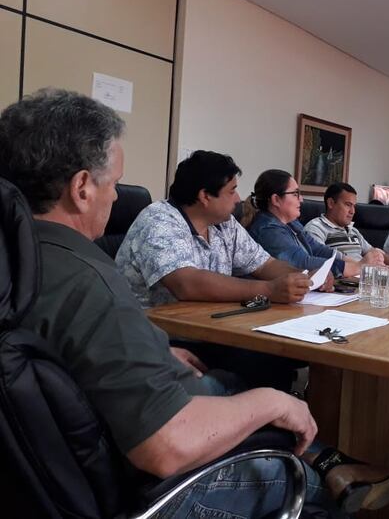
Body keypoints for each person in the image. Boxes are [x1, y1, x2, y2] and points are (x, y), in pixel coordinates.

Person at [0, 89, 389, 517]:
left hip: (70, 450)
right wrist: (274, 402)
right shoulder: (90, 280)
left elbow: (65, 348)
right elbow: (167, 446)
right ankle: (324, 479)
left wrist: (152, 349)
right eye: (114, 184)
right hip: (143, 486)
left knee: (226, 383)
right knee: (288, 457)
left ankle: (328, 462)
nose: (117, 197)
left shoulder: (23, 256)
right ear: (82, 188)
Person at [116, 150, 309, 390]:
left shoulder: (224, 223)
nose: (238, 198)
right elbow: (186, 283)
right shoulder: (159, 220)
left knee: (277, 357)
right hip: (161, 340)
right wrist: (268, 289)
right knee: (265, 362)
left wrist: (303, 277)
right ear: (205, 196)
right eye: (231, 190)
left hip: (213, 331)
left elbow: (265, 264)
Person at [243, 170, 370, 278]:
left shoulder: (292, 223)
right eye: (295, 194)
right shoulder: (267, 230)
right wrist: (358, 267)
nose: (301, 199)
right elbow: (301, 263)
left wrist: (351, 262)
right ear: (276, 199)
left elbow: (317, 249)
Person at [304, 182, 389, 265]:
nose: (353, 211)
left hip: (363, 275)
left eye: (354, 206)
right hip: (343, 278)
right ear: (331, 203)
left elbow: (374, 253)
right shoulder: (315, 228)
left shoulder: (353, 231)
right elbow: (321, 257)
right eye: (348, 205)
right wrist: (361, 265)